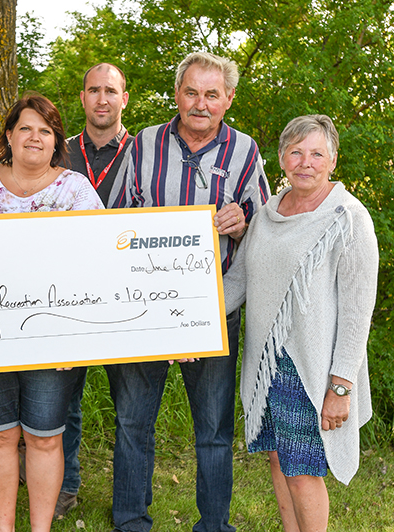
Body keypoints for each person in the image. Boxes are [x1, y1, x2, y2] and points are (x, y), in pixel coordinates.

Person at [107, 52, 271, 532]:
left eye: (212, 94)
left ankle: (214, 525)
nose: (201, 103)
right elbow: (111, 220)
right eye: (192, 92)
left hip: (213, 311)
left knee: (214, 430)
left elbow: (265, 232)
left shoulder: (244, 151)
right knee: (134, 424)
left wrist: (242, 226)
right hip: (144, 312)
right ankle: (131, 520)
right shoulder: (142, 145)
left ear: (228, 99)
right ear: (177, 93)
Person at [0, 93, 104, 532]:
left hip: (53, 336)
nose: (35, 137)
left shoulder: (75, 189)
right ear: (9, 135)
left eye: (45, 130)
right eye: (25, 128)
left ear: (56, 139)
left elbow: (97, 265)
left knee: (44, 437)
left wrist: (79, 337)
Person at [224, 115, 378, 531]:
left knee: (303, 470)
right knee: (279, 458)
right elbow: (238, 282)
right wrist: (184, 318)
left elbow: (357, 313)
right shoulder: (269, 212)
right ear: (281, 158)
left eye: (316, 153)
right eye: (296, 152)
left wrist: (340, 386)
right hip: (267, 364)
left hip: (312, 369)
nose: (305, 162)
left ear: (332, 160)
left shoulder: (348, 218)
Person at [56, 62, 136, 519]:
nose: (102, 99)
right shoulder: (58, 152)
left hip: (125, 291)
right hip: (68, 290)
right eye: (93, 90)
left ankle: (128, 502)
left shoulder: (146, 150)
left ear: (124, 98)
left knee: (131, 406)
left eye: (111, 90)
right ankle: (65, 485)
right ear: (82, 98)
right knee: (65, 398)